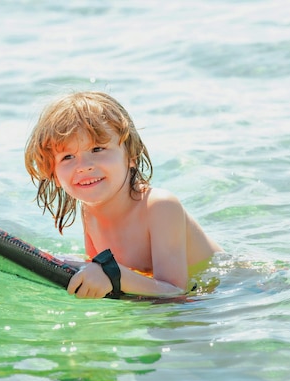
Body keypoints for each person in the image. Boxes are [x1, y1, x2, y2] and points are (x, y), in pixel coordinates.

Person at [24, 91, 222, 298]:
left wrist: (111, 274)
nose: (83, 167)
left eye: (97, 149)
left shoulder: (159, 206)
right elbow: (102, 272)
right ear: (53, 173)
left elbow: (176, 293)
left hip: (237, 290)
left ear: (131, 155)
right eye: (68, 157)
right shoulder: (89, 212)